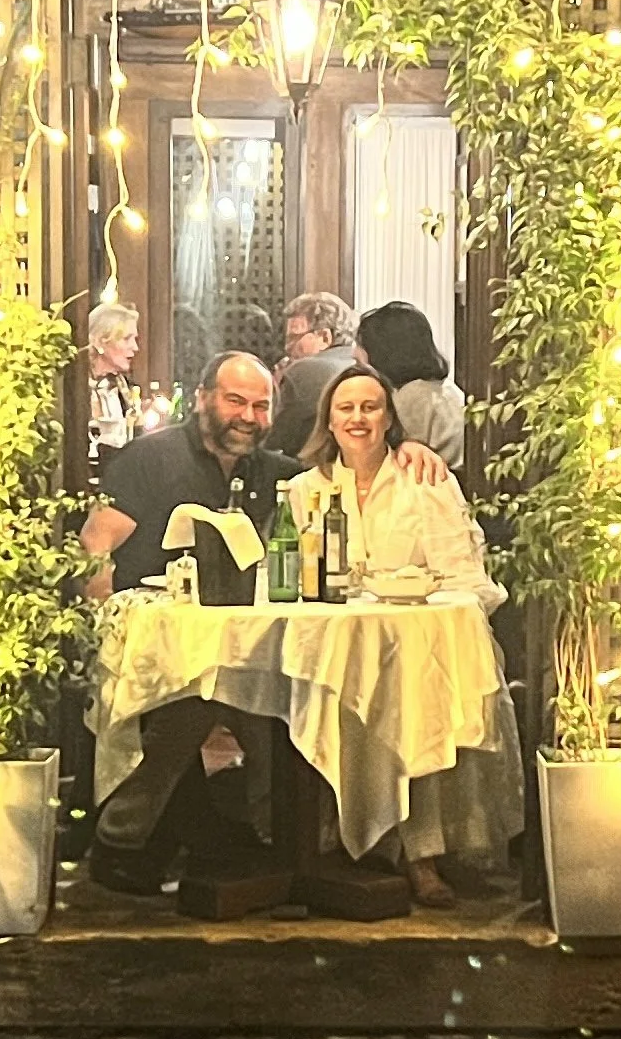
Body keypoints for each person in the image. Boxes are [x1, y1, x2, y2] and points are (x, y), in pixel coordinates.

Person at [77, 352, 450, 893]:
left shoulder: (269, 470)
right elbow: (95, 543)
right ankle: (122, 840)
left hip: (247, 643)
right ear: (203, 397)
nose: (247, 416)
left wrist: (404, 446)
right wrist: (102, 626)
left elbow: (338, 468)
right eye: (235, 401)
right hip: (159, 642)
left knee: (303, 693)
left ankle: (305, 846)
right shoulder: (151, 458)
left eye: (259, 405)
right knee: (193, 699)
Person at [288, 367, 519, 905]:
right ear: (328, 418)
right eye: (345, 408)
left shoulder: (424, 478)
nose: (358, 418)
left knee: (418, 708)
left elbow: (463, 571)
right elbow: (298, 571)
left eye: (370, 407)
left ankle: (423, 854)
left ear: (390, 417)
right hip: (339, 645)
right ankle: (342, 847)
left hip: (417, 641)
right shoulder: (306, 489)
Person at [355, 299, 467, 465]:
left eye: (360, 344)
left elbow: (384, 461)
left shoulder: (412, 399)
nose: (355, 352)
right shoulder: (448, 389)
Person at [265, 290, 358, 455]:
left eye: (294, 338)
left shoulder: (305, 371)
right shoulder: (365, 365)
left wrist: (276, 389)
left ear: (324, 337)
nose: (287, 347)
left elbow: (273, 440)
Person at [84, 300, 141, 476]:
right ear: (100, 342)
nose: (135, 347)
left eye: (135, 339)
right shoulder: (78, 389)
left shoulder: (124, 389)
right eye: (126, 339)